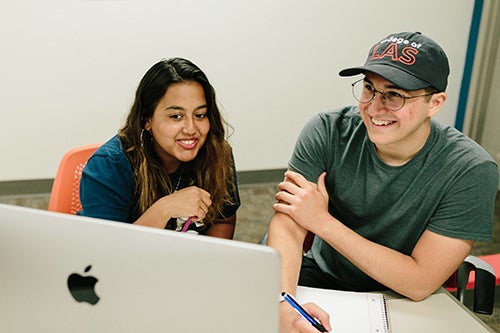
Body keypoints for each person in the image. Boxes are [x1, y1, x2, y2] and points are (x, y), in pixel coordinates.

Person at [267, 31, 498, 332]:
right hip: (322, 280)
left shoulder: (471, 169)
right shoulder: (326, 130)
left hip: (408, 300)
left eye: (394, 95)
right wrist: (283, 302)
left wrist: (322, 222)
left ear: (435, 103)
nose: (375, 107)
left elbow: (419, 282)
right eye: (369, 89)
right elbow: (289, 225)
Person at [78, 57, 240, 239]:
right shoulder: (108, 166)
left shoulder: (216, 152)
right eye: (176, 116)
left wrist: (205, 262)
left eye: (200, 115)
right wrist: (165, 209)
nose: (191, 129)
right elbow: (107, 251)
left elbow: (223, 221)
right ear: (147, 120)